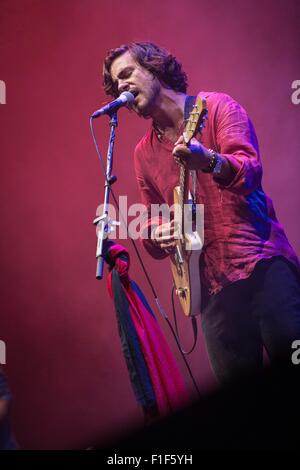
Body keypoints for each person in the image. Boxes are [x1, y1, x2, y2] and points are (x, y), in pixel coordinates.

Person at [102, 42, 300, 385]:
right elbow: (150, 216)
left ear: (154, 68)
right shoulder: (142, 154)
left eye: (127, 74)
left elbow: (250, 172)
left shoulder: (217, 107)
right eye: (115, 83)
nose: (121, 86)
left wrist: (208, 160)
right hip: (209, 293)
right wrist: (154, 231)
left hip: (261, 268)